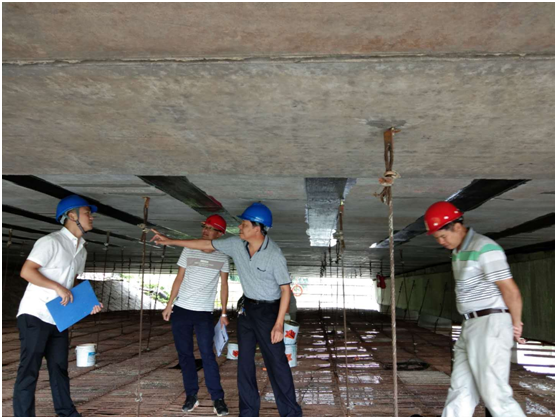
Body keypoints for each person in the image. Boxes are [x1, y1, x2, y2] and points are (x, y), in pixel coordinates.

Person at [151, 203, 302, 417]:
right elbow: (206, 243)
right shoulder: (236, 244)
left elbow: (285, 290)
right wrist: (170, 240)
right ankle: (248, 412)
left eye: (244, 224)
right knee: (244, 363)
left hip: (269, 312)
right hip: (247, 309)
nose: (239, 227)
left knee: (276, 362)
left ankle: (290, 413)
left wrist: (279, 325)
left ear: (257, 228)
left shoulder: (274, 255)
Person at [424, 201, 526, 417]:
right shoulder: (458, 250)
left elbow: (510, 291)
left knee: (494, 394)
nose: (441, 242)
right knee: (460, 388)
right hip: (470, 324)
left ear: (458, 226)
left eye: (443, 236)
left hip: (490, 324)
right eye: (437, 238)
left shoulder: (484, 248)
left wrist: (515, 323)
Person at [13, 195, 103, 417]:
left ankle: (66, 412)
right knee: (29, 369)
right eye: (86, 212)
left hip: (58, 317)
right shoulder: (50, 242)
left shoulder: (82, 250)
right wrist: (57, 288)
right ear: (72, 216)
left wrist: (88, 303)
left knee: (59, 368)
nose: (91, 217)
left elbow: (69, 284)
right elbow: (27, 271)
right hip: (35, 314)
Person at [161, 215, 230, 416]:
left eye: (210, 228)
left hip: (204, 313)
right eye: (205, 227)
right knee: (185, 355)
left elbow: (224, 285)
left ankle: (218, 398)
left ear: (219, 234)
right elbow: (179, 278)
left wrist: (224, 312)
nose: (205, 231)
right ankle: (191, 396)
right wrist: (169, 305)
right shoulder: (188, 248)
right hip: (181, 310)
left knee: (208, 355)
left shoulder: (223, 255)